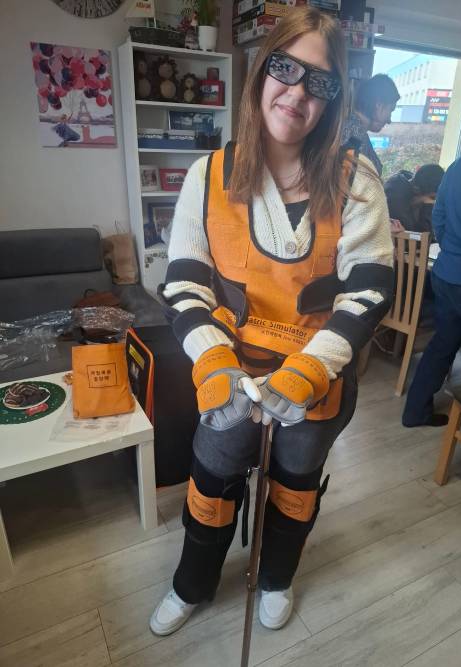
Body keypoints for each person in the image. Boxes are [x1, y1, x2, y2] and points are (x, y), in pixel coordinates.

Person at [150, 7, 394, 637]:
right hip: (229, 372)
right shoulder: (208, 175)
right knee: (212, 480)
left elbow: (367, 293)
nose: (298, 92)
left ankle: (277, 577)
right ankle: (192, 583)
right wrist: (213, 362)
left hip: (315, 376)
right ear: (261, 72)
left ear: (334, 98)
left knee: (296, 484)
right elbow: (184, 284)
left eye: (321, 81)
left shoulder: (357, 181)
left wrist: (308, 370)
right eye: (286, 69)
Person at [402, 86, 461, 447]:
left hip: (446, 275)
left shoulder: (459, 166)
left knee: (444, 341)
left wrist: (459, 249)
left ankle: (415, 411)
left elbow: (439, 222)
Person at [341, 73, 400, 175]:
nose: (389, 120)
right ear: (379, 105)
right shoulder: (354, 133)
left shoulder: (355, 128)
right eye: (390, 110)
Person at [384, 164, 445, 235]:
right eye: (432, 197)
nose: (433, 201)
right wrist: (427, 205)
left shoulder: (413, 183)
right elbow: (421, 236)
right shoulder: (396, 196)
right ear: (417, 189)